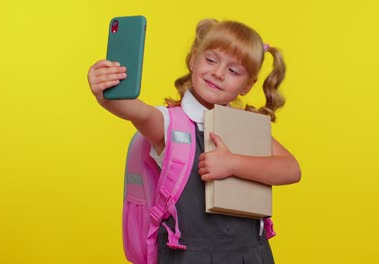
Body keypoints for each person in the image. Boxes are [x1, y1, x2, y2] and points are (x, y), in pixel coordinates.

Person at [87, 18, 301, 264]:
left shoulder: (246, 127)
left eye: (233, 71)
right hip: (188, 256)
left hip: (251, 255)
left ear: (247, 85)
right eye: (211, 60)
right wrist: (105, 94)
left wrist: (232, 164)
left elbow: (291, 169)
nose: (218, 73)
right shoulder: (168, 123)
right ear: (193, 59)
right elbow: (137, 112)